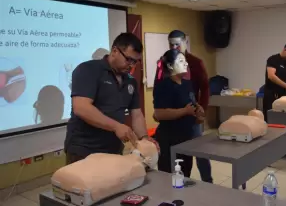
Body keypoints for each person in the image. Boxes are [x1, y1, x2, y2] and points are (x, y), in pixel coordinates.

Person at [64, 33, 157, 164]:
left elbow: (136, 114)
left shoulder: (130, 82)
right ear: (114, 51)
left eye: (135, 61)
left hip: (113, 149)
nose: (131, 65)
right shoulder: (88, 70)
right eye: (128, 59)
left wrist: (144, 137)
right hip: (84, 150)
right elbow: (81, 107)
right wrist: (116, 127)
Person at [154, 30, 213, 183]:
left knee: (198, 154)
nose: (174, 47)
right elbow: (159, 108)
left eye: (177, 44)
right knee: (171, 171)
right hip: (171, 130)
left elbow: (204, 88)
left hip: (190, 121)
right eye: (171, 44)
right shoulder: (164, 68)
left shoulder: (195, 64)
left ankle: (207, 181)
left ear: (185, 43)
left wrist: (201, 111)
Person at [263, 42, 286, 122]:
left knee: (281, 120)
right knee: (270, 120)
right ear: (285, 49)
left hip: (282, 96)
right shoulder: (273, 59)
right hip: (271, 95)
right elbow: (271, 76)